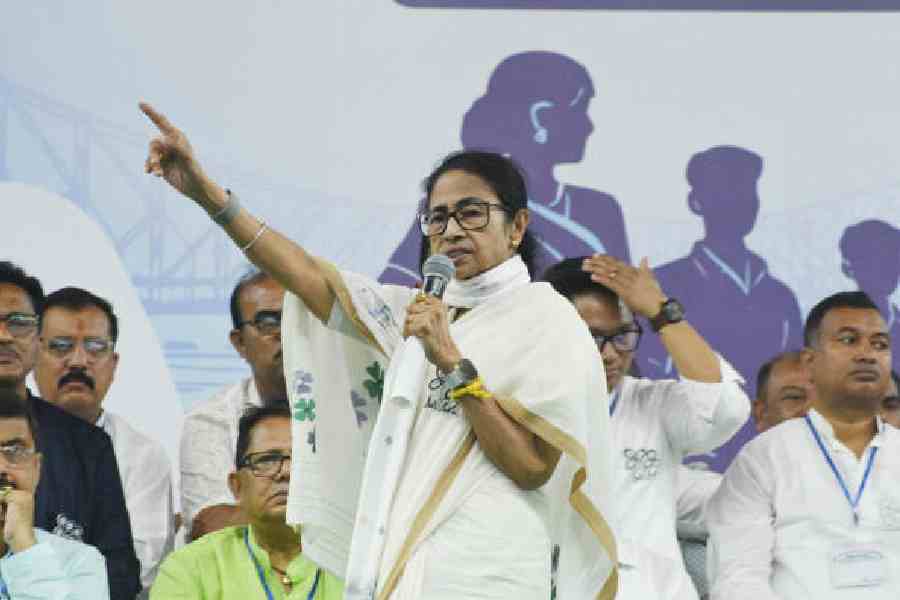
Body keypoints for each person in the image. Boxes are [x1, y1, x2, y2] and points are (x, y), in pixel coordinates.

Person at [140, 101, 617, 600]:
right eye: (436, 218)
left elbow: (532, 467)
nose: (451, 230)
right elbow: (304, 273)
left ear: (517, 226)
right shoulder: (415, 314)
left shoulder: (546, 319)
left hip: (491, 570)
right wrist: (206, 195)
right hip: (406, 569)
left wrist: (452, 363)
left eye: (471, 213)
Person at [542, 256, 748, 599]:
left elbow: (724, 410)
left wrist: (661, 312)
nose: (610, 354)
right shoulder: (518, 409)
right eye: (591, 337)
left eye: (622, 335)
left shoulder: (654, 404)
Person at [708, 291, 899, 599]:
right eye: (849, 340)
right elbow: (737, 581)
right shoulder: (762, 459)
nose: (867, 354)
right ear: (810, 362)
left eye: (880, 344)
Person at [380, 50, 630, 286]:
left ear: (519, 226)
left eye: (472, 214)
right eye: (580, 110)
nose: (589, 126)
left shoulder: (599, 210)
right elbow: (389, 300)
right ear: (541, 117)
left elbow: (625, 311)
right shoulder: (444, 214)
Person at [637, 146, 803, 471]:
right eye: (726, 189)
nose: (740, 200)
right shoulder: (660, 287)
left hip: (770, 460)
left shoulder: (780, 296)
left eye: (747, 189)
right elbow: (649, 378)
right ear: (696, 202)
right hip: (687, 459)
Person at [0, 261, 140, 600]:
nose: (3, 335)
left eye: (18, 323)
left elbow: (119, 573)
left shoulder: (87, 444)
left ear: (38, 339)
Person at [34, 286, 175, 597]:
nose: (79, 361)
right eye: (60, 346)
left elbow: (140, 567)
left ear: (113, 364)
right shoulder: (11, 437)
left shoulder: (142, 455)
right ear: (34, 355)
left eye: (96, 347)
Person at [152, 405, 342, 599]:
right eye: (266, 460)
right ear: (237, 486)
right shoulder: (191, 568)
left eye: (300, 460)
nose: (286, 472)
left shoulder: (357, 563)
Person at [181, 270, 287, 541]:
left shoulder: (350, 411)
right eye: (268, 322)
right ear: (240, 343)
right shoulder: (210, 419)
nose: (286, 332)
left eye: (299, 319)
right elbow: (210, 526)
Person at [0, 390, 110, 599]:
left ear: (37, 468)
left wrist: (24, 547)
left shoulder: (80, 562)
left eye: (14, 450)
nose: (1, 467)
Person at [840, 219, 900, 374]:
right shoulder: (834, 330)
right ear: (848, 268)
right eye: (872, 261)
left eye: (892, 260)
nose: (886, 270)